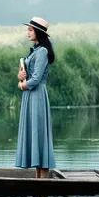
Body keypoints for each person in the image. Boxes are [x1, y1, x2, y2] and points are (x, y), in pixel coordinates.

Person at [16, 17, 56, 178]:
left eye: (30, 30)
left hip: (37, 96)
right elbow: (26, 76)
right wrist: (20, 76)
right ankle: (38, 181)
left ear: (38, 32)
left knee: (39, 133)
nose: (28, 32)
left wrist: (21, 85)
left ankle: (43, 183)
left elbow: (36, 79)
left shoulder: (43, 52)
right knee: (34, 133)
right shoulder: (35, 50)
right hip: (30, 96)